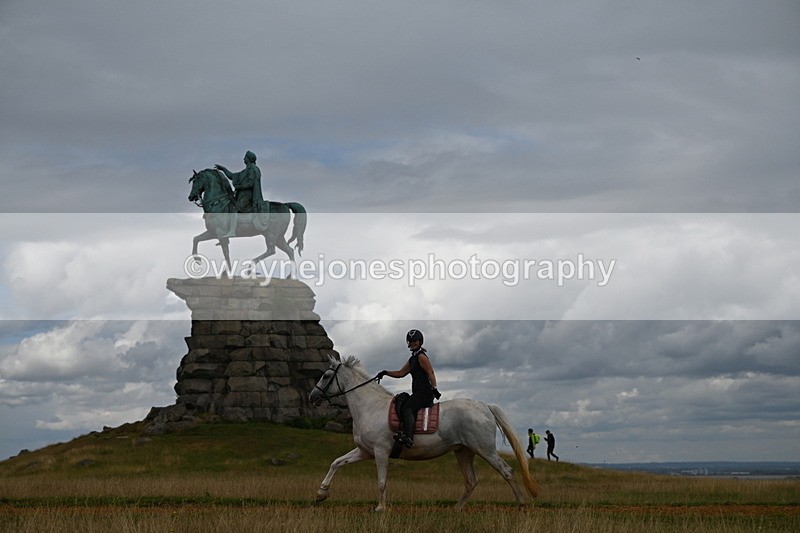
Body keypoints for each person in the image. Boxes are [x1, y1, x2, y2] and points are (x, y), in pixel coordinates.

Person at [377, 329, 441, 448]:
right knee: (402, 401)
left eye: (415, 341)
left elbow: (430, 372)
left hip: (424, 393)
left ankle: (409, 438)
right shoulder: (413, 358)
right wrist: (385, 372)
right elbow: (401, 373)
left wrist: (434, 388)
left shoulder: (421, 357)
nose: (412, 343)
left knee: (408, 408)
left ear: (420, 342)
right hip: (417, 392)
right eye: (410, 341)